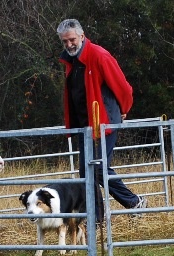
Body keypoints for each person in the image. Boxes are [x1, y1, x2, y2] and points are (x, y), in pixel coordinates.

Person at [57, 18, 147, 222]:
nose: (69, 45)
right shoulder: (70, 61)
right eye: (65, 42)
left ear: (81, 35)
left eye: (71, 40)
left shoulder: (99, 55)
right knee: (85, 172)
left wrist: (124, 109)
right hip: (84, 125)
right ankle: (96, 218)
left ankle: (134, 202)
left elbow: (123, 87)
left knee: (97, 167)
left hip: (103, 122)